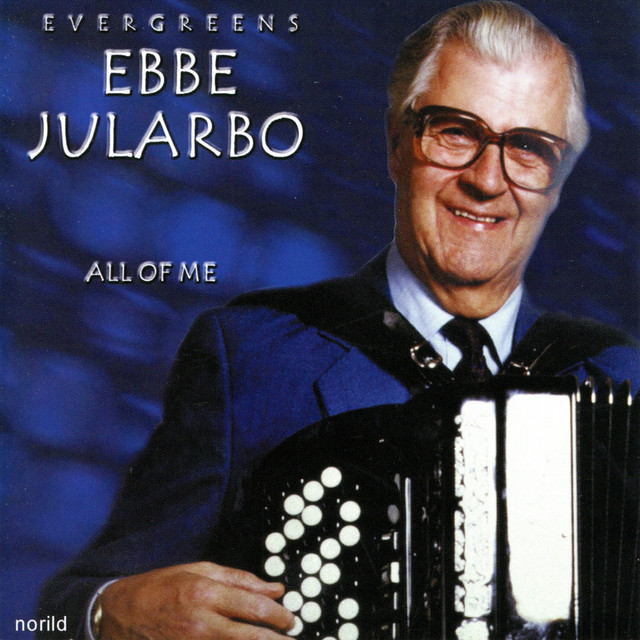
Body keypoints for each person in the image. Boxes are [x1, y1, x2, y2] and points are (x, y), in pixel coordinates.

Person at [37, 2, 640, 639]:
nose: (488, 180)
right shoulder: (250, 359)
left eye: (528, 147)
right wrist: (109, 609)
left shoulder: (616, 378)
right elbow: (54, 612)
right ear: (397, 142)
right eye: (455, 132)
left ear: (557, 180)